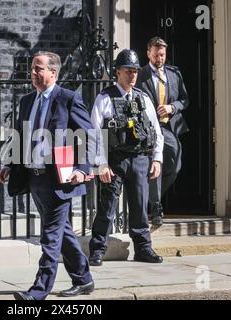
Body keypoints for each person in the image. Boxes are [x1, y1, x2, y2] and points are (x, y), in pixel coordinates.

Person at [0, 51, 94, 300]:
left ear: (54, 72)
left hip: (60, 179)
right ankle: (84, 279)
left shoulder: (68, 99)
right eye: (32, 68)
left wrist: (82, 169)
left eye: (39, 68)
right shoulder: (28, 100)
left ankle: (39, 291)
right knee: (62, 232)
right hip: (34, 178)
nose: (34, 73)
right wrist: (9, 164)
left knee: (50, 236)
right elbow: (19, 134)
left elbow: (87, 136)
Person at [88, 49, 164, 266]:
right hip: (114, 160)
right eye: (128, 71)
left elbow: (156, 131)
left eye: (135, 71)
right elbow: (94, 133)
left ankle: (143, 249)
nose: (132, 75)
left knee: (140, 207)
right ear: (118, 72)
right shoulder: (105, 98)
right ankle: (98, 249)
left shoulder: (144, 98)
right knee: (107, 206)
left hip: (140, 159)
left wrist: (157, 159)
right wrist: (101, 164)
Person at [136, 37, 190, 226]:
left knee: (175, 165)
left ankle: (148, 196)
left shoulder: (174, 73)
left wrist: (172, 107)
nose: (160, 58)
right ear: (148, 53)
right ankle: (156, 207)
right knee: (155, 163)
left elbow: (184, 99)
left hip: (170, 127)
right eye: (157, 54)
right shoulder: (140, 74)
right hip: (150, 128)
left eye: (163, 55)